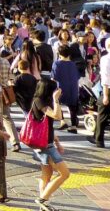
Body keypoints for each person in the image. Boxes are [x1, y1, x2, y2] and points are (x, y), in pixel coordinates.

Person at [30, 79, 71, 211]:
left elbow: (47, 126)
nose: (57, 91)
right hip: (45, 147)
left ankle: (43, 205)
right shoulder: (40, 101)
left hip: (45, 144)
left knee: (46, 176)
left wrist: (57, 142)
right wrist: (56, 99)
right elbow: (57, 116)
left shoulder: (41, 101)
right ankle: (43, 199)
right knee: (65, 174)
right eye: (54, 89)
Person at [51, 45, 80, 132]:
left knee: (56, 102)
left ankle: (62, 121)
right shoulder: (73, 64)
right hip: (73, 88)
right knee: (72, 107)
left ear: (59, 53)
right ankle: (73, 125)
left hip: (61, 87)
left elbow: (53, 77)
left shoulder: (57, 63)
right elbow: (77, 77)